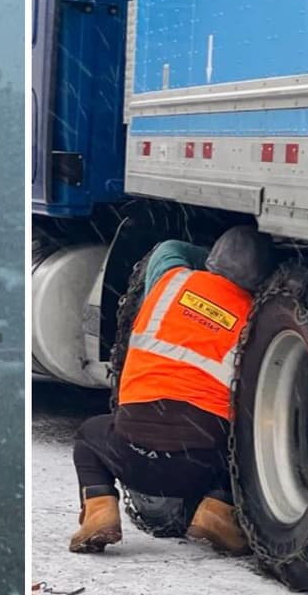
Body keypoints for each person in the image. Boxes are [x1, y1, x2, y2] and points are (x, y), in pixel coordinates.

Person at [69, 225, 275, 555]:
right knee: (248, 440)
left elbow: (168, 248)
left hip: (131, 456)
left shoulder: (170, 283)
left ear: (211, 261)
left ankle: (99, 513)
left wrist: (203, 256)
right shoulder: (256, 316)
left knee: (88, 434)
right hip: (201, 466)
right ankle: (218, 510)